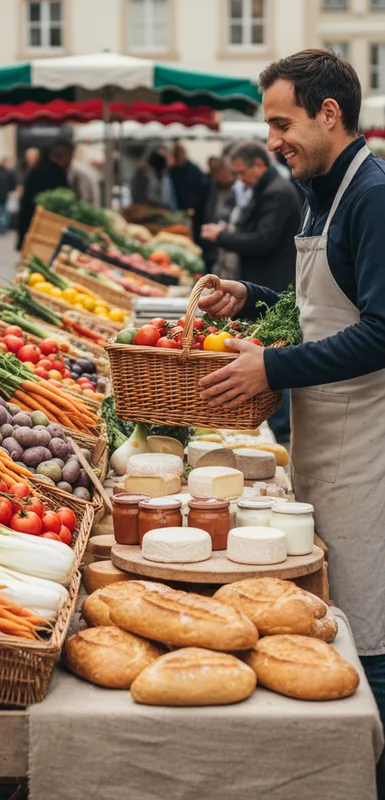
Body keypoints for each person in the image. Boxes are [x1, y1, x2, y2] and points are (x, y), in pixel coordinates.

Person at [197, 50, 385, 797]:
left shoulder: (371, 194)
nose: (272, 138)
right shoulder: (321, 190)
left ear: (328, 114)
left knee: (368, 623)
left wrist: (271, 369)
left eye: (281, 122)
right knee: (341, 605)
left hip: (367, 441)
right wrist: (251, 293)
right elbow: (319, 305)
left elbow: (381, 329)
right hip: (326, 431)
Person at [200, 140, 302, 294]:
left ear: (259, 164)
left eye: (242, 172)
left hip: (272, 283)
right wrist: (226, 230)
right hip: (264, 280)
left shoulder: (277, 192)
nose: (240, 179)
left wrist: (221, 236)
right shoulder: (264, 188)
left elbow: (262, 241)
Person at [17, 139, 74, 249]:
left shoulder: (38, 169)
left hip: (30, 226)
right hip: (42, 229)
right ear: (64, 158)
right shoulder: (55, 172)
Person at [170, 142, 207, 217]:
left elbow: (202, 191)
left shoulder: (194, 170)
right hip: (177, 210)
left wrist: (194, 207)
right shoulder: (172, 171)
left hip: (193, 210)